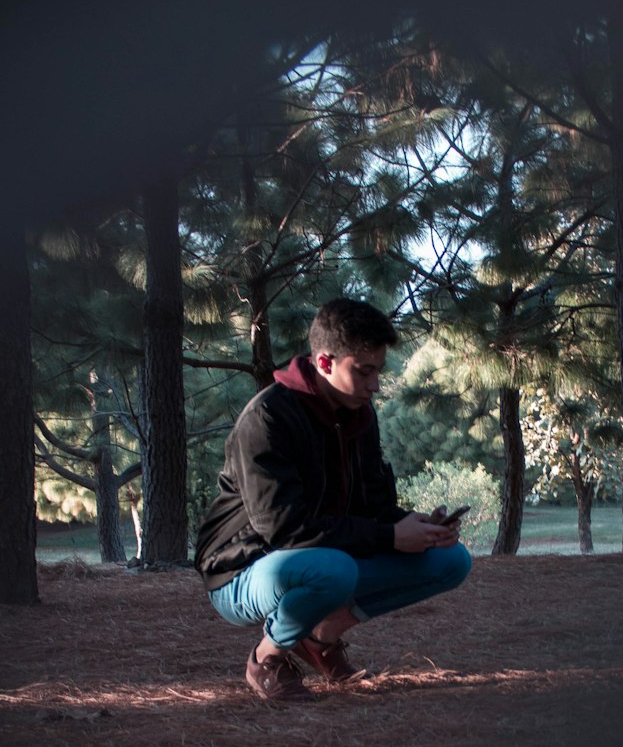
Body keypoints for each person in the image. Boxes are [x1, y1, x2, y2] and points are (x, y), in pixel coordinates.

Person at [194, 298, 473, 702]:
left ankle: (320, 635)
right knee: (334, 570)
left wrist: (418, 527)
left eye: (378, 370)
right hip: (242, 570)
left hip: (321, 556)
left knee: (452, 561)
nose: (375, 385)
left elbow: (373, 509)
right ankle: (267, 658)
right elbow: (285, 529)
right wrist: (389, 537)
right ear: (325, 363)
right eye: (364, 371)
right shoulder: (267, 418)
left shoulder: (360, 415)